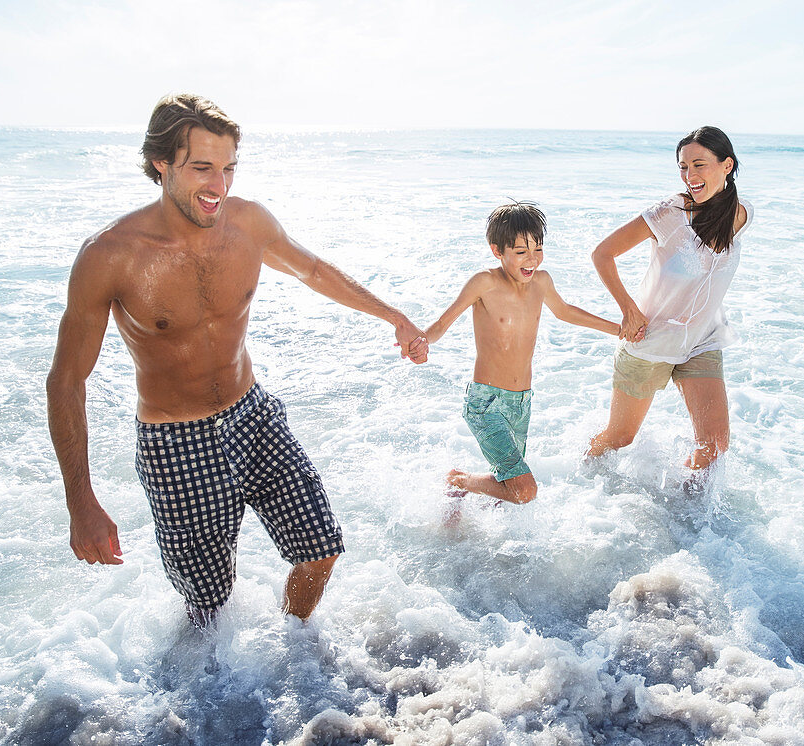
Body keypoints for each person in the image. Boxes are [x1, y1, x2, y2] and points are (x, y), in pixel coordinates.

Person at [46, 93, 428, 626]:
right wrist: (80, 501)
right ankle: (217, 695)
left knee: (320, 548)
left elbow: (312, 270)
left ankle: (292, 652)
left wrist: (395, 317)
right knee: (210, 607)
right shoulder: (110, 255)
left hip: (252, 416)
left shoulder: (248, 223)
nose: (219, 187)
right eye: (202, 168)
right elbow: (67, 381)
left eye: (228, 169)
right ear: (161, 162)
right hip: (176, 444)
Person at [425, 203, 619, 505]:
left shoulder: (541, 282)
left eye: (538, 249)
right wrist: (422, 340)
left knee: (508, 489)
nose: (532, 260)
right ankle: (458, 480)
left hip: (522, 401)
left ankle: (487, 542)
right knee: (524, 490)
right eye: (520, 252)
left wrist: (618, 329)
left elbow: (566, 312)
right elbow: (441, 324)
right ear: (497, 251)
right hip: (486, 402)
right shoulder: (484, 283)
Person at [586, 127, 753, 478]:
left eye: (699, 165)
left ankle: (693, 521)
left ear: (727, 166)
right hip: (650, 340)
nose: (690, 176)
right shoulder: (669, 213)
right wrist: (629, 310)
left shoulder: (740, 216)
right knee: (619, 438)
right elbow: (603, 254)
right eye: (683, 167)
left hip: (701, 340)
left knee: (714, 445)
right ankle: (583, 474)